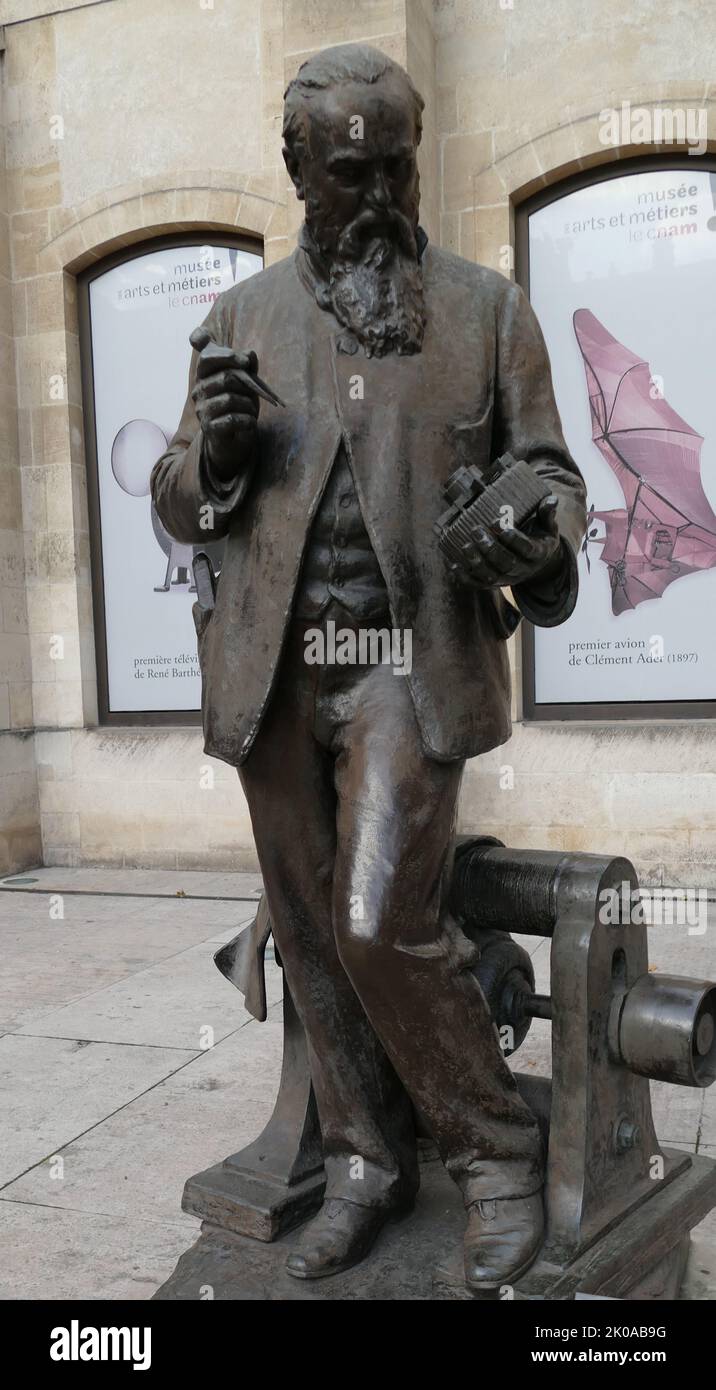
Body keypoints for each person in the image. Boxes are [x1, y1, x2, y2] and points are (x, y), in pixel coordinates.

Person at [151, 43, 587, 1291]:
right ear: (299, 174)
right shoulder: (239, 320)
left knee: (377, 917)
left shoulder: (486, 308)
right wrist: (216, 458)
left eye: (396, 162)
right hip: (274, 671)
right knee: (307, 930)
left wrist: (529, 533)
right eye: (353, 172)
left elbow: (553, 483)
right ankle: (361, 1164)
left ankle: (495, 1151)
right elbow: (176, 500)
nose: (383, 190)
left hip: (406, 658)